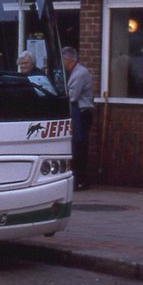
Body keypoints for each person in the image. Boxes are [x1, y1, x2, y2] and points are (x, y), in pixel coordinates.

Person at [62, 46, 94, 189]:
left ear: (67, 60)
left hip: (81, 114)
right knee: (76, 146)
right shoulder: (74, 73)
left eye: (62, 61)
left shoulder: (80, 74)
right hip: (77, 113)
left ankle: (80, 179)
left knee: (80, 146)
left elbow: (73, 96)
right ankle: (78, 178)